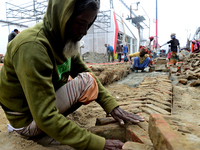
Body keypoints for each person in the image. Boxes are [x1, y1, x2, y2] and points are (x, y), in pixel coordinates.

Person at [0, 0, 144, 150]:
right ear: (63, 16)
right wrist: (97, 143)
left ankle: (52, 128)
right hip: (27, 121)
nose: (84, 31)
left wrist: (112, 106)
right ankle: (41, 134)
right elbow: (45, 116)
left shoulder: (62, 38)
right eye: (81, 23)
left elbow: (84, 70)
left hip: (36, 110)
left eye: (88, 25)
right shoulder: (33, 47)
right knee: (85, 81)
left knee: (81, 78)